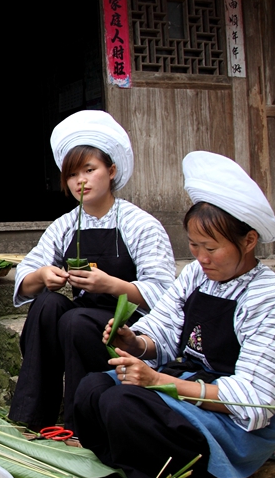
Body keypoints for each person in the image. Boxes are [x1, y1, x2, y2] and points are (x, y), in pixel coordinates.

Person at [77, 151, 275, 478]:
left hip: (232, 423)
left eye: (212, 248)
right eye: (194, 246)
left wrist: (157, 381)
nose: (201, 257)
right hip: (186, 386)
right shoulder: (196, 276)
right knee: (92, 388)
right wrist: (134, 340)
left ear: (249, 240)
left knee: (123, 404)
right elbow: (164, 329)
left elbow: (251, 402)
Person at [9, 110, 175, 431]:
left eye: (90, 169)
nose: (80, 181)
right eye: (72, 174)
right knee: (47, 304)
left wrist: (110, 284)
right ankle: (29, 419)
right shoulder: (66, 225)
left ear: (111, 171)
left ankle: (79, 426)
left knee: (73, 320)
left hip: (128, 329)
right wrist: (43, 276)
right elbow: (25, 279)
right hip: (81, 322)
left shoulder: (140, 224)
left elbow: (163, 294)